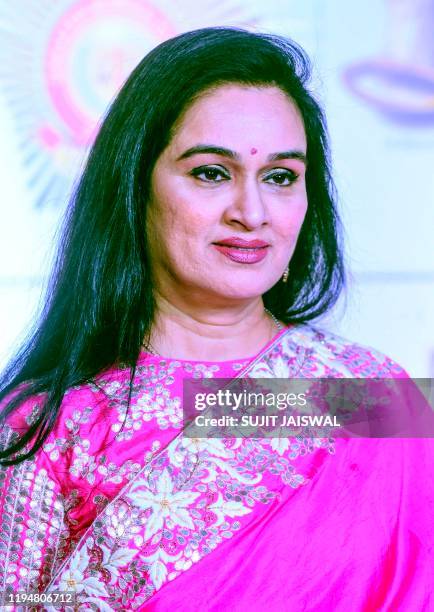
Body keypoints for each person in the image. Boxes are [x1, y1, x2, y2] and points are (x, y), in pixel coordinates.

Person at [0, 27, 432, 611]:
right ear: (134, 188)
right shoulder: (49, 428)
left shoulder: (371, 395)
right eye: (211, 172)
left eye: (281, 177)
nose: (251, 212)